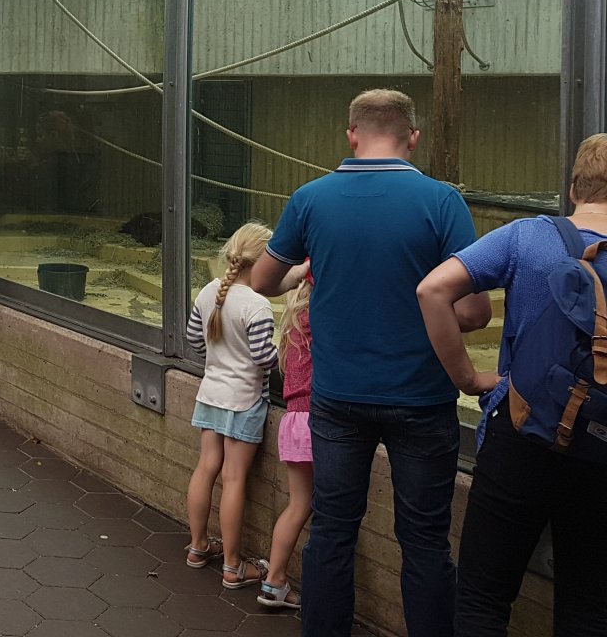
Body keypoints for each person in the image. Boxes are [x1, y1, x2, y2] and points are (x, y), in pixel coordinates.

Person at [250, 88, 490, 637]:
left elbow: (262, 280)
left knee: (332, 529)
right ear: (413, 137)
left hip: (337, 399)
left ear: (352, 135)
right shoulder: (442, 202)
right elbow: (475, 312)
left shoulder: (310, 199)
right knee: (425, 540)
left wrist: (313, 266)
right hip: (422, 399)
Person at [417, 132, 607, 637]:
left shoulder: (528, 236)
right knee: (590, 608)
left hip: (521, 431)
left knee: (482, 599)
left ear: (573, 189)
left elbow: (432, 290)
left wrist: (467, 378)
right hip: (601, 445)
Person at [185, 222, 277, 590]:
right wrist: (285, 354)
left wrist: (220, 358)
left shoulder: (209, 292)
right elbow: (264, 358)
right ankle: (233, 566)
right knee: (234, 478)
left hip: (211, 393)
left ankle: (197, 547)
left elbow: (194, 341)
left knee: (206, 467)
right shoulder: (258, 305)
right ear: (264, 261)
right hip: (244, 400)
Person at [258, 263, 314, 612]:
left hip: (293, 420)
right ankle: (277, 579)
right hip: (315, 420)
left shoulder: (293, 323)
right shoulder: (319, 318)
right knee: (316, 508)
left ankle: (274, 579)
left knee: (297, 504)